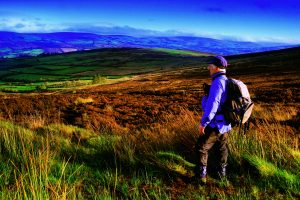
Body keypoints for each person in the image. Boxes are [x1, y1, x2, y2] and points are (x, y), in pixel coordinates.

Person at [194, 56, 232, 184]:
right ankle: (221, 176)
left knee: (201, 147)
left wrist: (203, 123)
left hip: (216, 123)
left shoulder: (217, 82)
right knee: (221, 148)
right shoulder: (226, 80)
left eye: (210, 66)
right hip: (225, 123)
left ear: (216, 68)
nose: (208, 68)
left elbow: (212, 106)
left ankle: (200, 178)